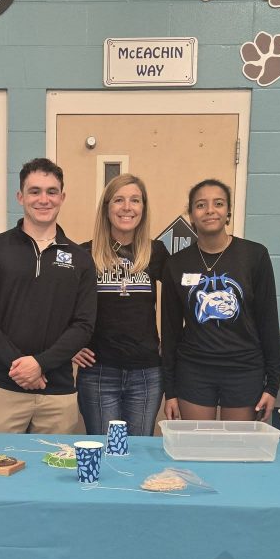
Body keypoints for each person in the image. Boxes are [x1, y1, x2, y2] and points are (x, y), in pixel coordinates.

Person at [0, 158, 97, 433]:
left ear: (62, 197)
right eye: (35, 191)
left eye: (51, 191)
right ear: (20, 196)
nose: (43, 199)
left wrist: (40, 364)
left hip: (57, 393)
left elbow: (83, 325)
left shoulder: (81, 259)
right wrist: (21, 367)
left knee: (54, 474)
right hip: (1, 389)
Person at [161, 179, 280, 423]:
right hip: (194, 369)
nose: (210, 210)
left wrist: (272, 385)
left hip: (244, 369)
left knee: (237, 451)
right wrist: (170, 390)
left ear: (228, 212)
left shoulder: (254, 255)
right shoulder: (176, 264)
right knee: (196, 450)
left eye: (218, 203)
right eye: (201, 205)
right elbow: (170, 330)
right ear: (192, 215)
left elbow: (268, 321)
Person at [72, 174, 168, 437]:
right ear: (106, 208)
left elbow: (179, 304)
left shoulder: (157, 252)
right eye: (119, 200)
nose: (127, 207)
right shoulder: (84, 254)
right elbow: (57, 305)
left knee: (137, 452)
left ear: (143, 208)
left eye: (135, 200)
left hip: (146, 373)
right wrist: (70, 346)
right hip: (99, 373)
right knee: (106, 453)